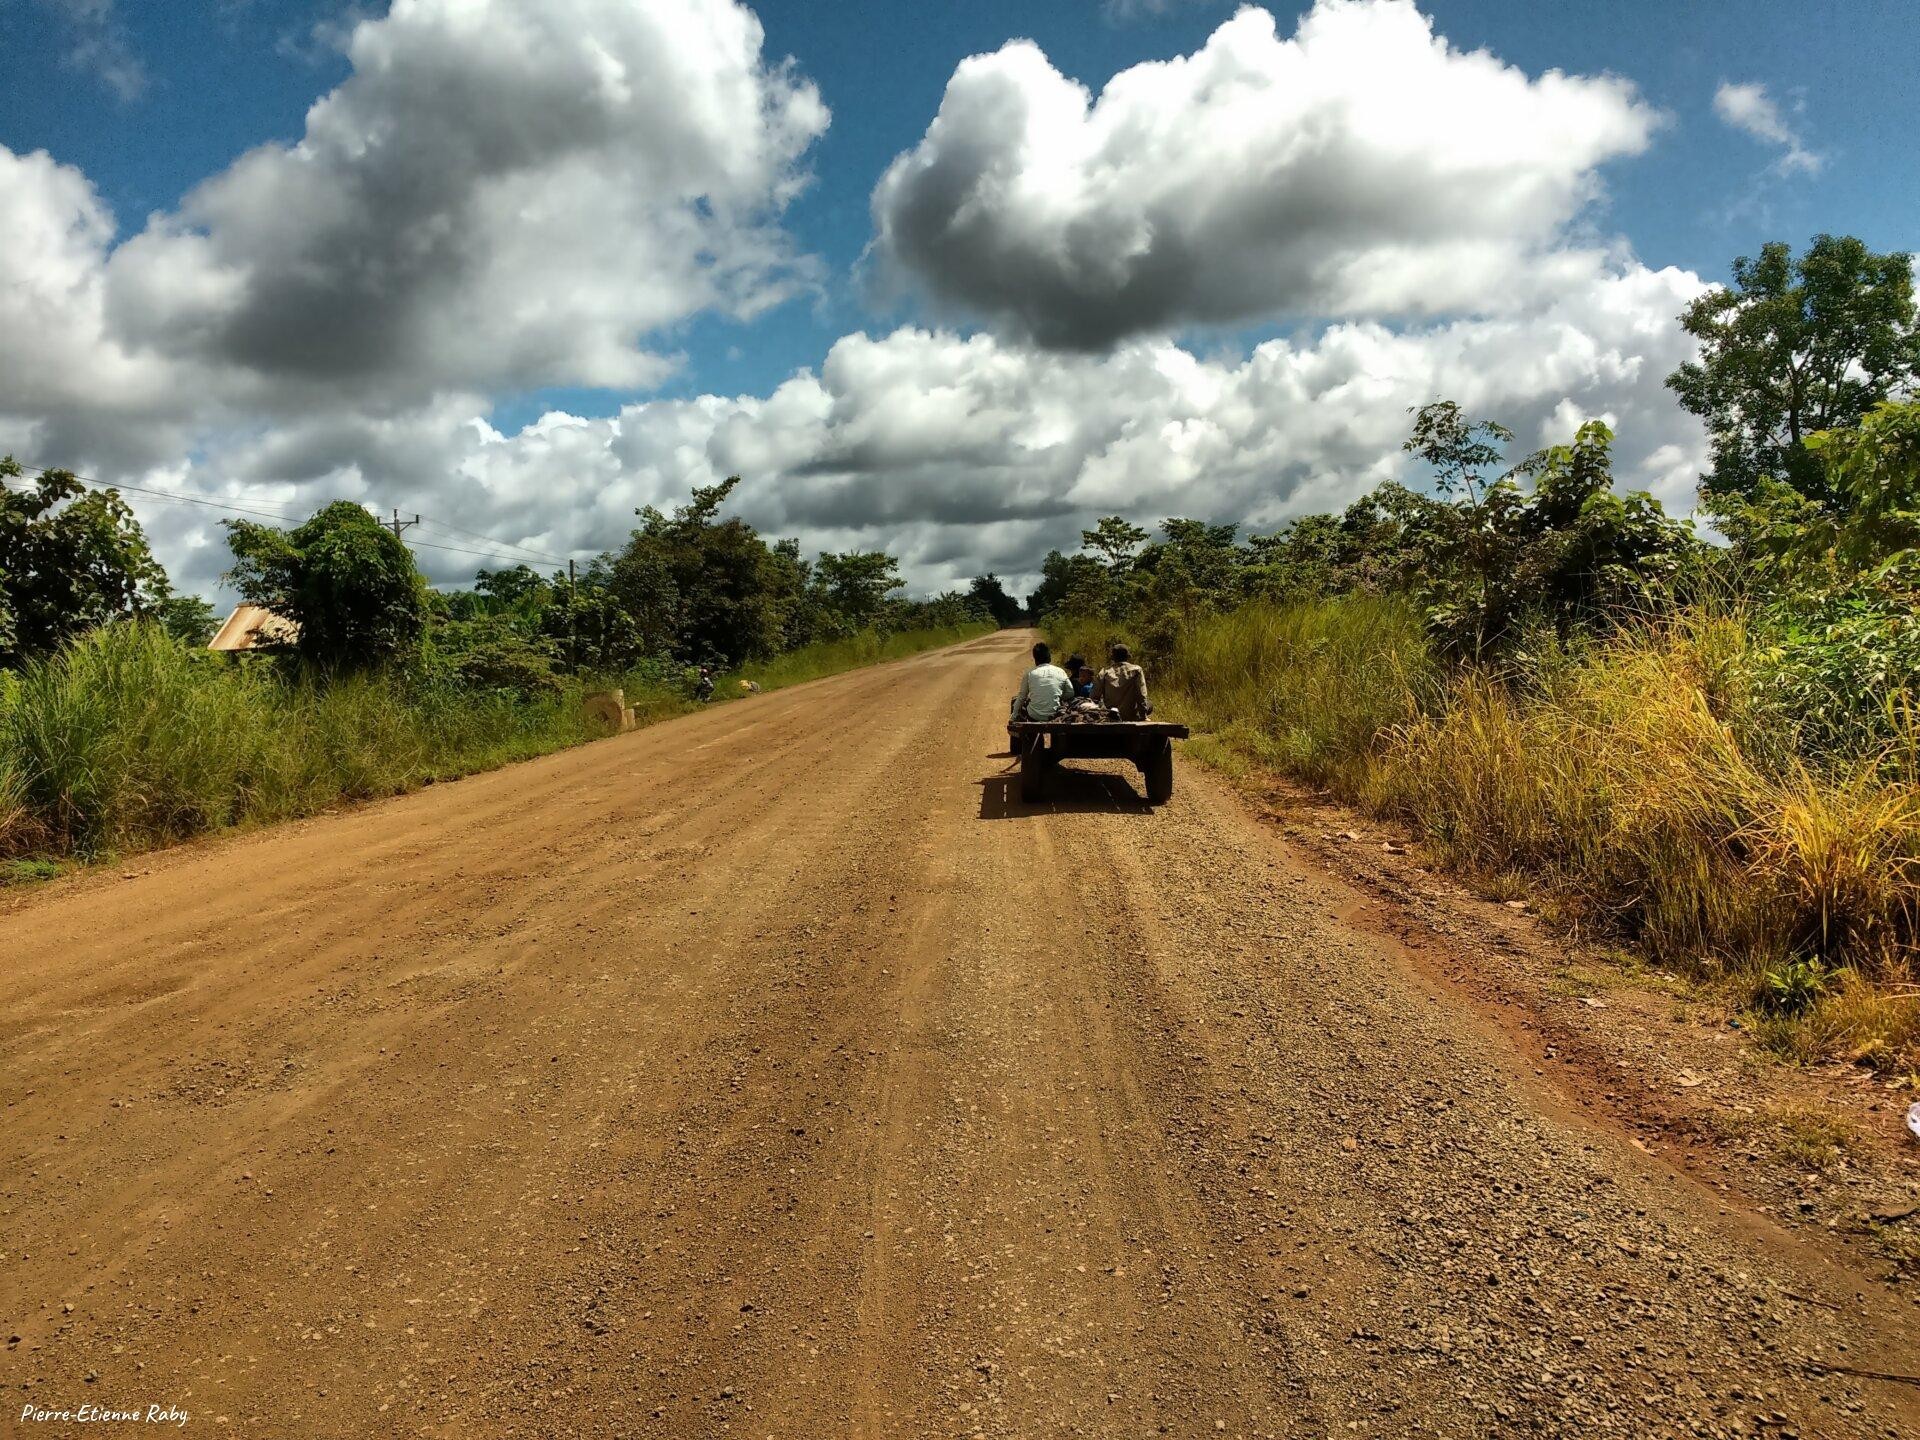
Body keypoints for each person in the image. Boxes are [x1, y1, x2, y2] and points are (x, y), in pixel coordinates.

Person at [1011, 641, 1074, 723]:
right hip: (1055, 714)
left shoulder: (1030, 673)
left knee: (1023, 704)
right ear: (1049, 657)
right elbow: (1070, 692)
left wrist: (1014, 716)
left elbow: (1022, 697)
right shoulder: (1060, 671)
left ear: (1035, 659)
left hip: (1034, 715)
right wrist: (1058, 697)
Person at [1093, 643, 1150, 721]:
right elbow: (1142, 695)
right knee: (1150, 704)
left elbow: (1094, 696)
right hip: (1130, 715)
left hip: (1110, 715)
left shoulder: (1104, 672)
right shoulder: (1136, 670)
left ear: (1113, 657)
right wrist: (1143, 716)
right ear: (1127, 656)